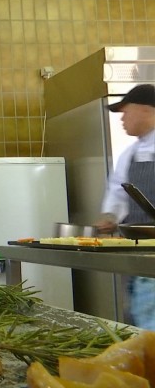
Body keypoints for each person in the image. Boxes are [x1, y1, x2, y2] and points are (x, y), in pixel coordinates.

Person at [94, 83, 155, 330]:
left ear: (146, 110)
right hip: (135, 252)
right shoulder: (129, 153)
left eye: (126, 111)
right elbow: (118, 190)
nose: (122, 119)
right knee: (139, 321)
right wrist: (110, 216)